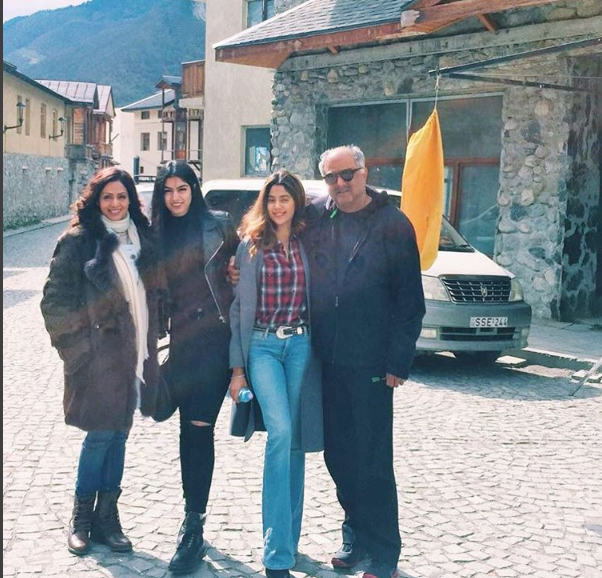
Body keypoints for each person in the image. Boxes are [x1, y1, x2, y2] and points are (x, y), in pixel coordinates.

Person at [305, 145, 426, 578]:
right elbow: (272, 236)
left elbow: (411, 301)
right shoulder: (318, 217)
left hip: (372, 363)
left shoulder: (393, 224)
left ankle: (385, 551)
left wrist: (398, 359)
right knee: (338, 456)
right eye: (331, 178)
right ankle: (355, 535)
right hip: (327, 361)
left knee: (373, 458)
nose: (340, 184)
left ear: (364, 171)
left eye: (347, 174)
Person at [40, 167, 161, 556]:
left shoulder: (142, 239)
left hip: (135, 354)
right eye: (107, 197)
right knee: (100, 435)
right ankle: (82, 519)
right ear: (95, 200)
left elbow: (152, 292)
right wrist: (78, 352)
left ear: (131, 199)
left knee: (120, 433)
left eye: (121, 197)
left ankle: (109, 519)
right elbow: (54, 303)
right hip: (97, 357)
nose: (114, 204)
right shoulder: (78, 242)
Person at [229, 170, 323, 578]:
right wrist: (237, 370)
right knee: (281, 432)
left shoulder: (309, 243)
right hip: (263, 346)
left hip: (301, 344)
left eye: (285, 198)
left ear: (297, 202)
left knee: (296, 441)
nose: (279, 205)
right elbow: (237, 311)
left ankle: (290, 540)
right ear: (264, 204)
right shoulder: (250, 247)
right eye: (272, 199)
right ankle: (276, 555)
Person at [150, 160, 239, 575]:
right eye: (167, 191)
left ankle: (194, 527)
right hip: (181, 345)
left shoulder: (219, 227)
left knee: (200, 429)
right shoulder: (155, 235)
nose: (175, 197)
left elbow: (244, 275)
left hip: (215, 343)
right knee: (186, 431)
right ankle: (193, 517)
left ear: (194, 189)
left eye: (182, 189)